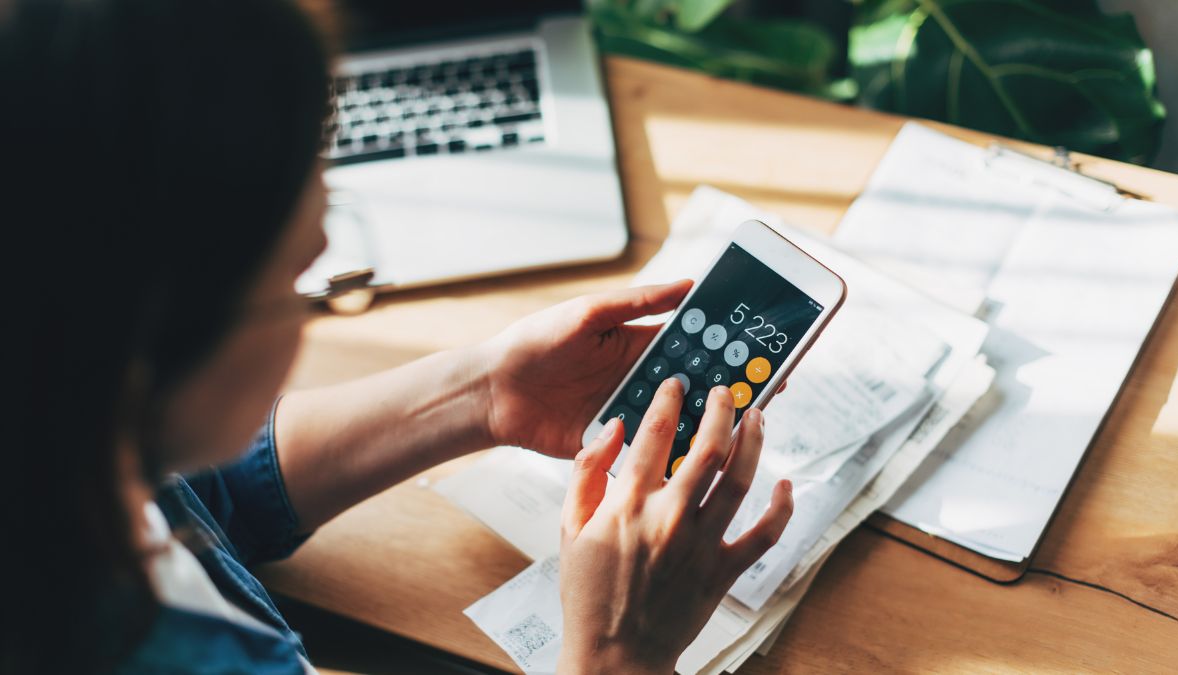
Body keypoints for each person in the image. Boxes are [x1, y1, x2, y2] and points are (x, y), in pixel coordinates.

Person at [1, 0, 794, 672]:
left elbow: (192, 492)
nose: (315, 295)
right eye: (294, 277)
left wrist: (483, 391)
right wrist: (615, 653)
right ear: (148, 334)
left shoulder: (59, 438)